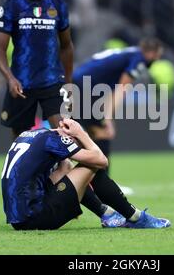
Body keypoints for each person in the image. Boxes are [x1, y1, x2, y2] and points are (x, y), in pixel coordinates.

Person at [2, 118, 171, 230]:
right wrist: (82, 134)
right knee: (92, 166)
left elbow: (62, 169)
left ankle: (107, 214)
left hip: (19, 219)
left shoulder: (30, 135)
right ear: (68, 136)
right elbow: (101, 160)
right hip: (36, 218)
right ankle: (136, 217)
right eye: (75, 142)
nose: (77, 146)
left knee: (66, 165)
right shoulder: (54, 140)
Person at [71, 38, 166, 225]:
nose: (157, 59)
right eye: (157, 55)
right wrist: (108, 118)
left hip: (79, 84)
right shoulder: (138, 60)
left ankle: (88, 183)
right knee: (103, 133)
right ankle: (103, 186)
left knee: (85, 137)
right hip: (85, 88)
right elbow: (122, 88)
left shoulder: (129, 52)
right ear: (153, 53)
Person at [0, 0, 74, 140]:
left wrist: (68, 83)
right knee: (20, 139)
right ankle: (25, 169)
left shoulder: (57, 3)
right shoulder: (12, 4)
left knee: (64, 133)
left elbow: (67, 46)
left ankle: (62, 168)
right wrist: (10, 78)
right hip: (22, 82)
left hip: (52, 80)